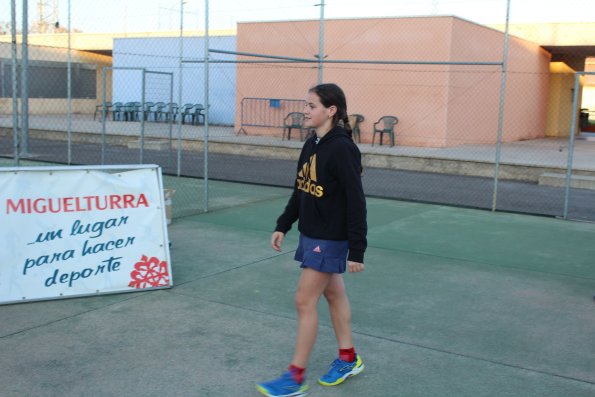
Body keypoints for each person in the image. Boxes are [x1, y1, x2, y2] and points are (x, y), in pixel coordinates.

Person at [256, 83, 367, 397]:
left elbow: (356, 200)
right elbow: (300, 189)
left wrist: (357, 248)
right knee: (333, 295)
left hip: (330, 237)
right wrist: (284, 224)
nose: (305, 110)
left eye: (312, 105)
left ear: (330, 110)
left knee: (304, 300)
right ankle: (349, 358)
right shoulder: (311, 144)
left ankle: (295, 377)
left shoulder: (343, 148)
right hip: (312, 233)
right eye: (306, 105)